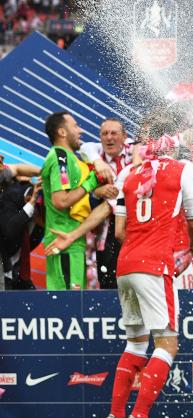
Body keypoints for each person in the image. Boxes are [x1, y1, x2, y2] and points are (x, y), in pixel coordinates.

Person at [101, 119, 193, 418]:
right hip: (155, 265)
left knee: (134, 342)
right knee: (167, 343)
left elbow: (118, 232)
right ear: (173, 142)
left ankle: (116, 417)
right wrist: (191, 244)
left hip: (125, 265)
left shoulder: (127, 174)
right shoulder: (183, 169)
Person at [40, 112, 117, 290]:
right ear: (62, 132)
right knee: (67, 306)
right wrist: (92, 182)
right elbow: (61, 201)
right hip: (63, 242)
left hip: (72, 242)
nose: (80, 130)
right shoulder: (61, 158)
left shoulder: (70, 159)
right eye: (75, 125)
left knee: (75, 305)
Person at [78, 117, 136, 289]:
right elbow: (85, 147)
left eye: (114, 133)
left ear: (124, 137)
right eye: (104, 134)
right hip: (106, 233)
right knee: (110, 284)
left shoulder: (135, 152)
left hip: (133, 227)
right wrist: (97, 191)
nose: (109, 138)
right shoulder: (95, 154)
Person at [0, 161, 42, 290]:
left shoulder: (6, 179)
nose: (2, 158)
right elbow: (9, 230)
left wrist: (45, 174)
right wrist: (32, 202)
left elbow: (17, 168)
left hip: (14, 266)